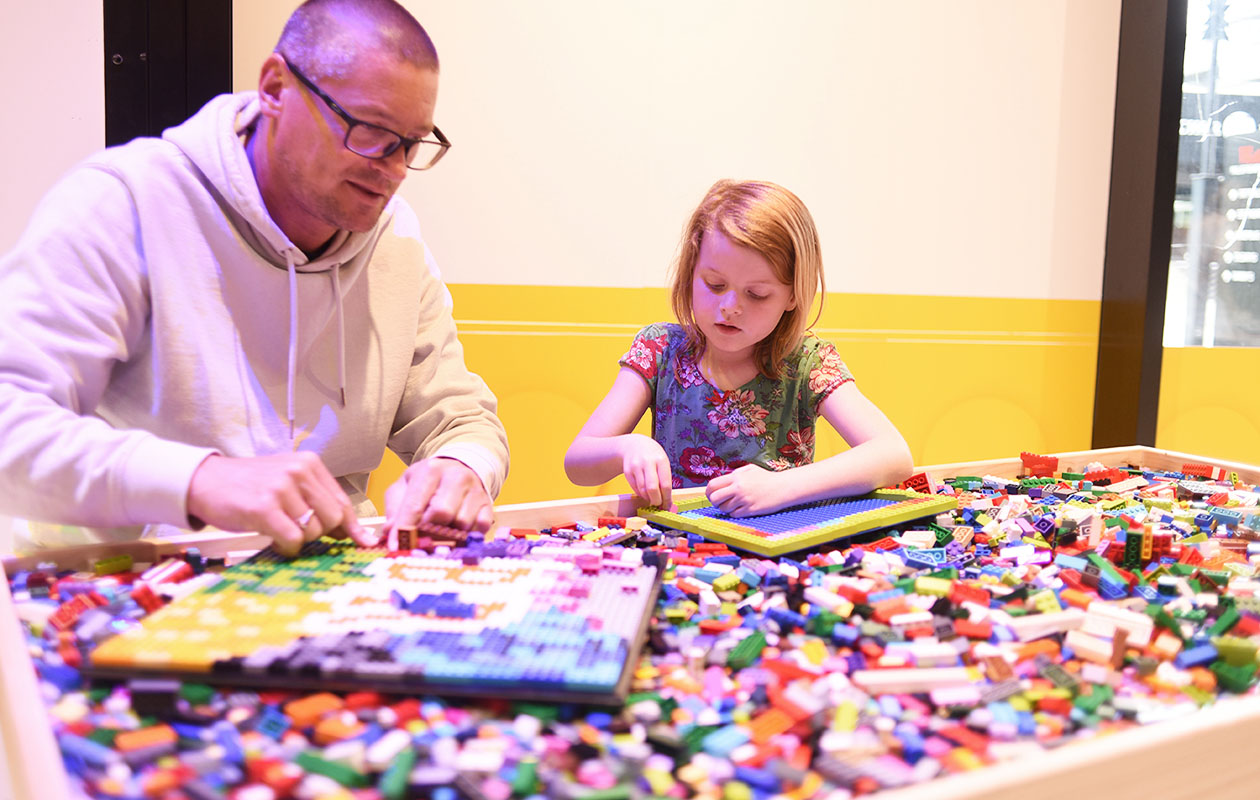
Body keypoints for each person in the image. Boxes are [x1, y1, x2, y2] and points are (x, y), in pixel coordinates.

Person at [0, 0, 508, 556]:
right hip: (132, 579)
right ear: (274, 88)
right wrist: (201, 480)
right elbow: (10, 426)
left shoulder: (398, 239)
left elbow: (461, 417)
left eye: (411, 144)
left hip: (330, 579)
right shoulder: (123, 203)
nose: (391, 170)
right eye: (370, 131)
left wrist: (464, 466)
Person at [565, 179, 912, 516]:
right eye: (715, 285)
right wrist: (628, 447)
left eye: (756, 294)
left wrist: (782, 487)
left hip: (777, 547)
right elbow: (578, 463)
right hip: (681, 549)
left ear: (792, 295)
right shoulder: (660, 349)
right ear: (690, 272)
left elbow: (893, 454)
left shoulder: (808, 362)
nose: (730, 306)